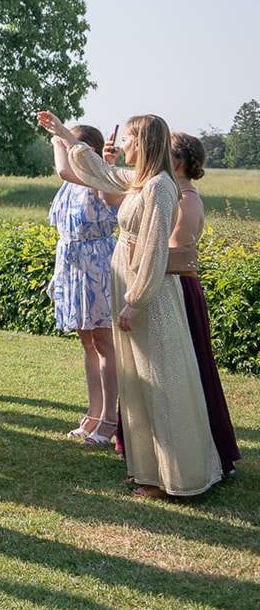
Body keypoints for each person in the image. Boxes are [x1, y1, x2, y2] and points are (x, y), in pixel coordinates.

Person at [37, 111, 221, 497]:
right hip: (131, 285)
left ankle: (172, 476)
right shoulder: (141, 182)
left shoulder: (159, 188)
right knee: (136, 381)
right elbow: (97, 173)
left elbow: (155, 249)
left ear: (145, 143)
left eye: (130, 139)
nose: (123, 146)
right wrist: (65, 137)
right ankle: (149, 469)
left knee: (158, 379)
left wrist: (136, 301)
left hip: (149, 295)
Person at [41, 123, 121, 445]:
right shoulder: (70, 185)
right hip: (73, 263)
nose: (59, 147)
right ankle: (93, 412)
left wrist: (60, 136)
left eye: (65, 143)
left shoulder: (96, 176)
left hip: (98, 265)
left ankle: (110, 419)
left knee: (104, 343)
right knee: (86, 342)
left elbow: (63, 167)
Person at [169, 133, 239, 477]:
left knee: (193, 367)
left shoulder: (186, 199)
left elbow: (179, 253)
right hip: (172, 285)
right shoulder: (171, 194)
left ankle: (209, 450)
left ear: (179, 161)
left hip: (180, 287)